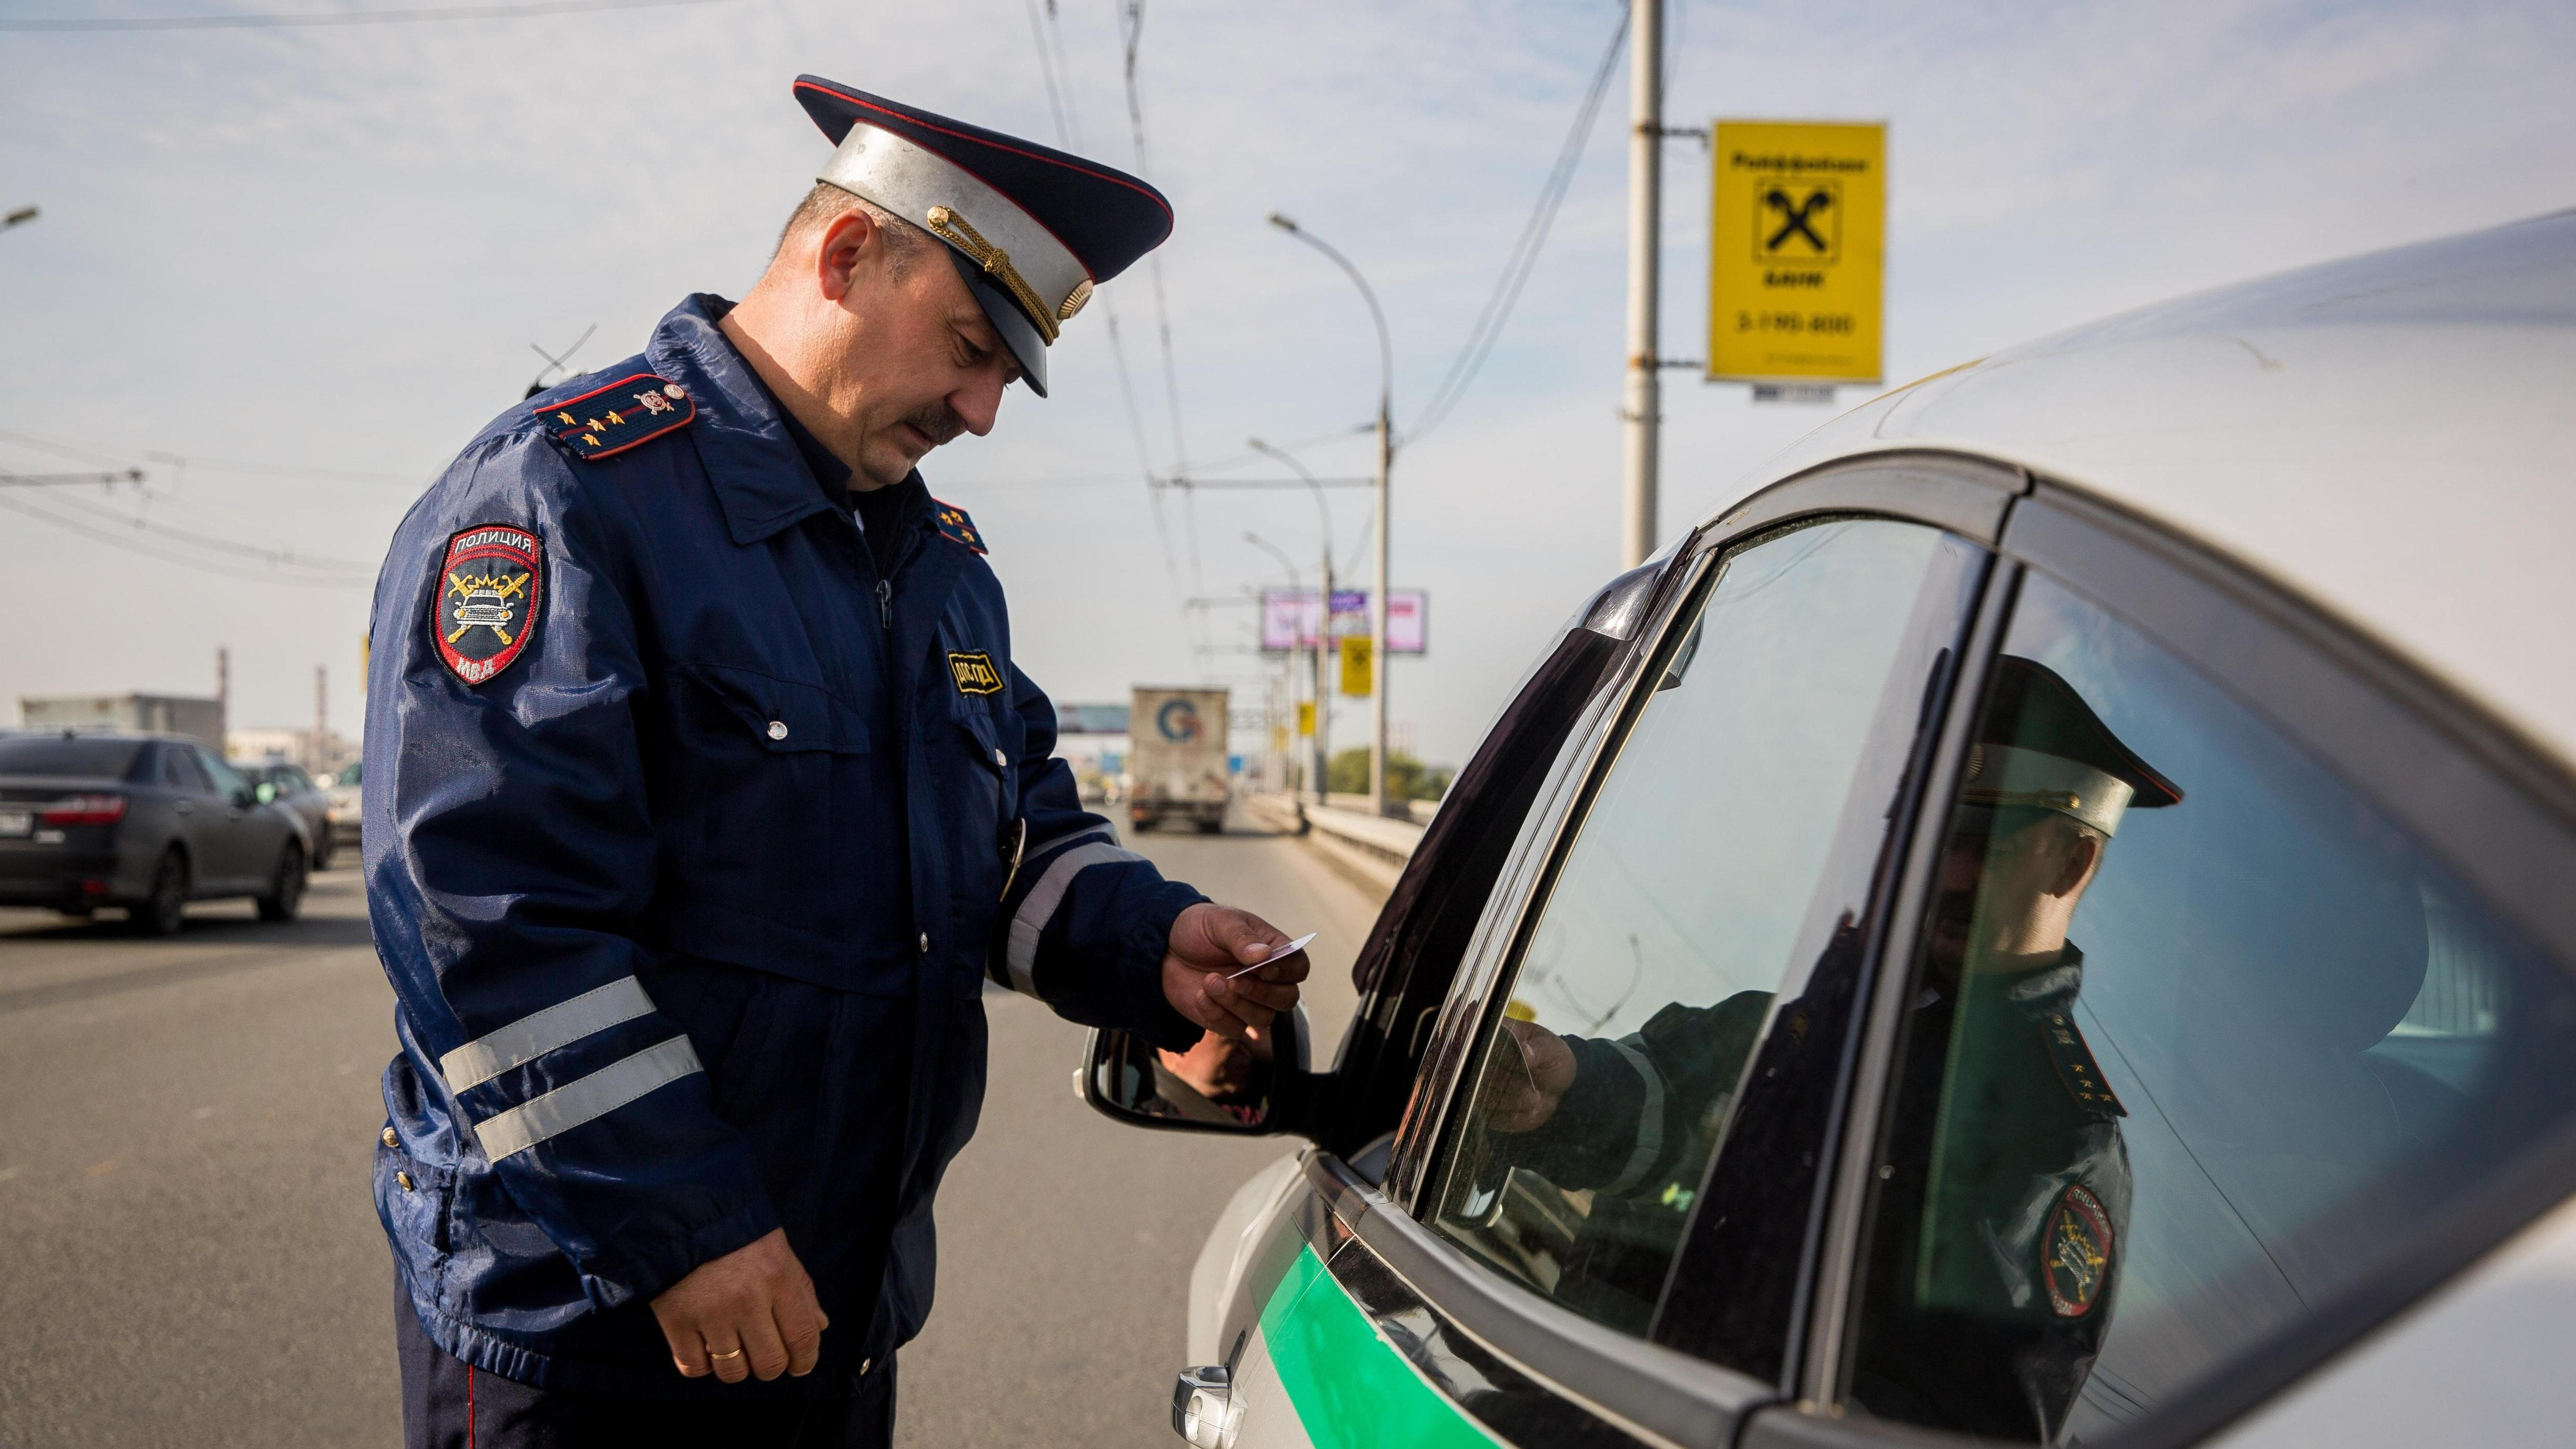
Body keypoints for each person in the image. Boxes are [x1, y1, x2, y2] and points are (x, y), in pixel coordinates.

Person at [364, 76, 1309, 1447]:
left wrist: (1155, 944)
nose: (985, 411)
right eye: (973, 346)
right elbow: (487, 920)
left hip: (828, 1317)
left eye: (1008, 374)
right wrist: (683, 1233)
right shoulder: (568, 498)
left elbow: (1012, 839)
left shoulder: (935, 565)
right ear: (850, 253)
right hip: (593, 1334)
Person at [1471, 657, 2179, 1433]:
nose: (1947, 871)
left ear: (2072, 862)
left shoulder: (2053, 1136)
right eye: (1931, 832)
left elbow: (1951, 1420)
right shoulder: (1825, 1014)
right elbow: (1678, 1104)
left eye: (1990, 842)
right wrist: (1563, 1087)